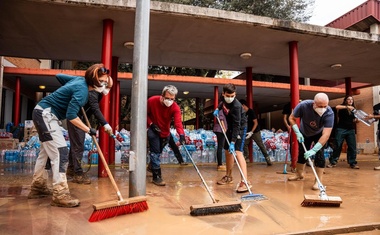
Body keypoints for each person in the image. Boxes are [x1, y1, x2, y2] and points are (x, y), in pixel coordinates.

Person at [28, 65, 100, 207]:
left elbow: (59, 76)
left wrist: (68, 90)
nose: (105, 87)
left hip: (42, 112)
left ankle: (38, 187)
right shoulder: (82, 91)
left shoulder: (79, 81)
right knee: (61, 152)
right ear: (95, 82)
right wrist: (88, 129)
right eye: (104, 83)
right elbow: (71, 116)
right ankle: (60, 194)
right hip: (46, 115)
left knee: (46, 153)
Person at [66, 64, 114, 184]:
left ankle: (71, 169)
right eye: (104, 84)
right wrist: (105, 124)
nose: (105, 88)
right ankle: (77, 173)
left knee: (76, 144)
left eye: (107, 85)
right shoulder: (93, 93)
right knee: (78, 145)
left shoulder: (96, 92)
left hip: (80, 117)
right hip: (75, 118)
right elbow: (95, 109)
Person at [288, 93, 334, 190]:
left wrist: (315, 149)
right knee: (302, 154)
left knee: (320, 155)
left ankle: (318, 181)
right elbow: (291, 118)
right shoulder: (303, 106)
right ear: (314, 103)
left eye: (325, 106)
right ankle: (299, 175)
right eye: (320, 106)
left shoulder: (329, 113)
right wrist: (297, 131)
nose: (322, 108)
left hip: (319, 134)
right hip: (304, 132)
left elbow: (326, 134)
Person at [213, 83, 250, 193]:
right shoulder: (223, 98)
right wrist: (217, 109)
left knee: (238, 152)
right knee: (227, 151)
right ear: (223, 94)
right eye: (228, 95)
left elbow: (237, 125)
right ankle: (228, 177)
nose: (230, 98)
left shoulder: (237, 106)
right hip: (230, 127)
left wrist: (233, 142)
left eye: (232, 96)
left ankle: (245, 181)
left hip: (240, 128)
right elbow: (221, 103)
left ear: (235, 94)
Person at [147, 85, 186, 186]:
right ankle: (157, 176)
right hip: (153, 130)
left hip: (165, 133)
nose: (169, 100)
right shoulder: (152, 101)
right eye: (167, 98)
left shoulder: (175, 108)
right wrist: (151, 124)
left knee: (158, 152)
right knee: (155, 153)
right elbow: (144, 114)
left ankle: (152, 166)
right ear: (162, 96)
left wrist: (181, 135)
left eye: (172, 99)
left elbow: (178, 122)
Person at [327, 96, 359, 169]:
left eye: (351, 99)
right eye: (348, 99)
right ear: (345, 100)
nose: (350, 101)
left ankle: (352, 163)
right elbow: (336, 107)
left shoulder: (354, 109)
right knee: (337, 145)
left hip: (351, 129)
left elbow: (354, 120)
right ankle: (333, 162)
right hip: (341, 128)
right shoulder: (342, 107)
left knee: (352, 146)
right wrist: (347, 107)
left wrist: (357, 120)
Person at [239, 99, 272, 166]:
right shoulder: (242, 113)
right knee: (244, 144)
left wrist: (251, 132)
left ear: (243, 105)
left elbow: (255, 123)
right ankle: (246, 157)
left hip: (255, 131)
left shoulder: (251, 112)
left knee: (260, 145)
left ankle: (267, 158)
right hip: (247, 131)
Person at [366, 103, 380, 170]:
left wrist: (373, 116)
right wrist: (368, 119)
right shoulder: (376, 107)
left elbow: (375, 116)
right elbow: (376, 118)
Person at [213, 106, 227, 171]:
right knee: (220, 147)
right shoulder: (221, 111)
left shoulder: (224, 111)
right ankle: (219, 164)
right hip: (220, 130)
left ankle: (220, 163)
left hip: (221, 130)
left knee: (221, 146)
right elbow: (221, 120)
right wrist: (224, 129)